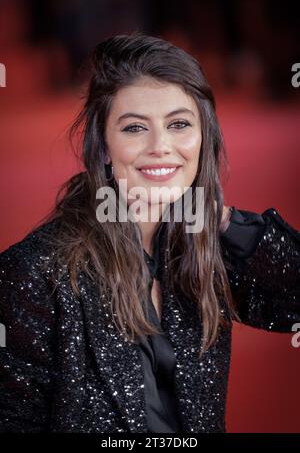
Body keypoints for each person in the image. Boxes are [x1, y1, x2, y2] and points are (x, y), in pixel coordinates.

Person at [0, 33, 299, 433]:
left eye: (179, 124)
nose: (161, 146)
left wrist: (221, 218)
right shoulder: (34, 274)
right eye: (135, 128)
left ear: (204, 137)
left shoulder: (206, 247)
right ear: (103, 146)